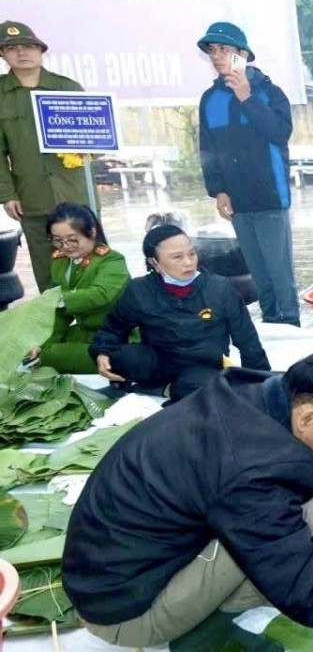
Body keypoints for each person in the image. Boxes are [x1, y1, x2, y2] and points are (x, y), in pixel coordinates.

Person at [63, 352, 313, 648]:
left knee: (311, 507)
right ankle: (204, 622)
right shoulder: (249, 476)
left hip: (125, 564)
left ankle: (226, 589)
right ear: (309, 418)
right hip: (126, 610)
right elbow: (312, 595)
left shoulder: (269, 394)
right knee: (299, 531)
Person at [89, 225, 270, 402]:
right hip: (160, 361)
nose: (188, 262)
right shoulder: (139, 290)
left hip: (202, 366)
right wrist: (102, 352)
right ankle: (162, 386)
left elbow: (248, 341)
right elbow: (113, 328)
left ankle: (165, 390)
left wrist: (261, 383)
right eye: (177, 257)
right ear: (154, 262)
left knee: (208, 387)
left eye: (192, 253)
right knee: (119, 357)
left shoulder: (220, 289)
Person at [197, 22, 300, 326]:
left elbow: (279, 133)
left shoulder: (269, 92)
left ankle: (291, 321)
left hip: (270, 195)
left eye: (224, 49)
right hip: (237, 199)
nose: (217, 56)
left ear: (243, 55)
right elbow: (208, 148)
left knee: (279, 270)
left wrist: (247, 98)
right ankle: (270, 321)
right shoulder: (210, 99)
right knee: (257, 269)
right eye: (212, 50)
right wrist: (218, 190)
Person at [0, 21, 105, 293]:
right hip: (32, 197)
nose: (22, 53)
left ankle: (103, 328)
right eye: (12, 48)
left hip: (76, 193)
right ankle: (57, 328)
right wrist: (7, 194)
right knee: (48, 273)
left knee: (95, 265)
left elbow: (96, 139)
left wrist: (90, 145)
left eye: (29, 46)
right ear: (2, 54)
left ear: (41, 50)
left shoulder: (67, 88)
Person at [26, 203, 129, 374]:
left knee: (48, 357)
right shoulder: (60, 262)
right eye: (58, 240)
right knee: (32, 349)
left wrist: (58, 300)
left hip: (114, 336)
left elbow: (100, 294)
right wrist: (41, 343)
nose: (65, 246)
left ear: (92, 232)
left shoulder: (112, 261)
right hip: (84, 333)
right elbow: (59, 314)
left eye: (72, 239)